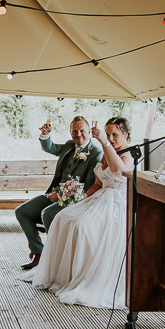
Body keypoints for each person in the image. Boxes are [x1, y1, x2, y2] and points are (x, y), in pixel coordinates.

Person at [23, 118, 133, 309]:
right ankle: (62, 270)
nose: (110, 138)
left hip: (116, 203)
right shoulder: (102, 152)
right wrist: (81, 201)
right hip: (97, 197)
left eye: (115, 134)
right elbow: (98, 184)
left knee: (82, 224)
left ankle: (84, 274)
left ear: (126, 135)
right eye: (108, 134)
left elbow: (117, 171)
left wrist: (105, 143)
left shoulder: (124, 155)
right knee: (63, 217)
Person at [15, 116, 103, 271]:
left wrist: (62, 195)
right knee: (22, 211)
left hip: (75, 199)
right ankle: (39, 253)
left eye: (82, 130)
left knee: (47, 213)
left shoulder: (96, 153)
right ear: (70, 133)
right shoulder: (70, 145)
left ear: (89, 131)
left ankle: (54, 258)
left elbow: (88, 185)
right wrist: (46, 135)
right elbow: (51, 148)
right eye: (75, 131)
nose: (78, 134)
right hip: (54, 193)